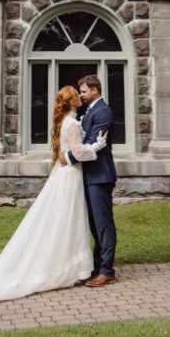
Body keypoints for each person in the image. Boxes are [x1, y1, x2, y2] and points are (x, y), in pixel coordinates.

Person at [0, 85, 107, 313]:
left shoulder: (64, 121)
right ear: (73, 102)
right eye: (77, 95)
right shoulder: (73, 124)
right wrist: (97, 145)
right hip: (70, 176)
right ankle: (66, 266)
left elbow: (68, 152)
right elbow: (77, 153)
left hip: (64, 174)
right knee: (68, 219)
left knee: (63, 218)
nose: (80, 95)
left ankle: (67, 264)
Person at [59, 74, 117, 287]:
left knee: (103, 225)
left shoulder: (103, 112)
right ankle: (97, 265)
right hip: (88, 175)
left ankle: (107, 270)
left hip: (100, 176)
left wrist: (67, 158)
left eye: (83, 91)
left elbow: (92, 142)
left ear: (94, 90)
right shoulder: (89, 111)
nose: (81, 95)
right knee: (94, 224)